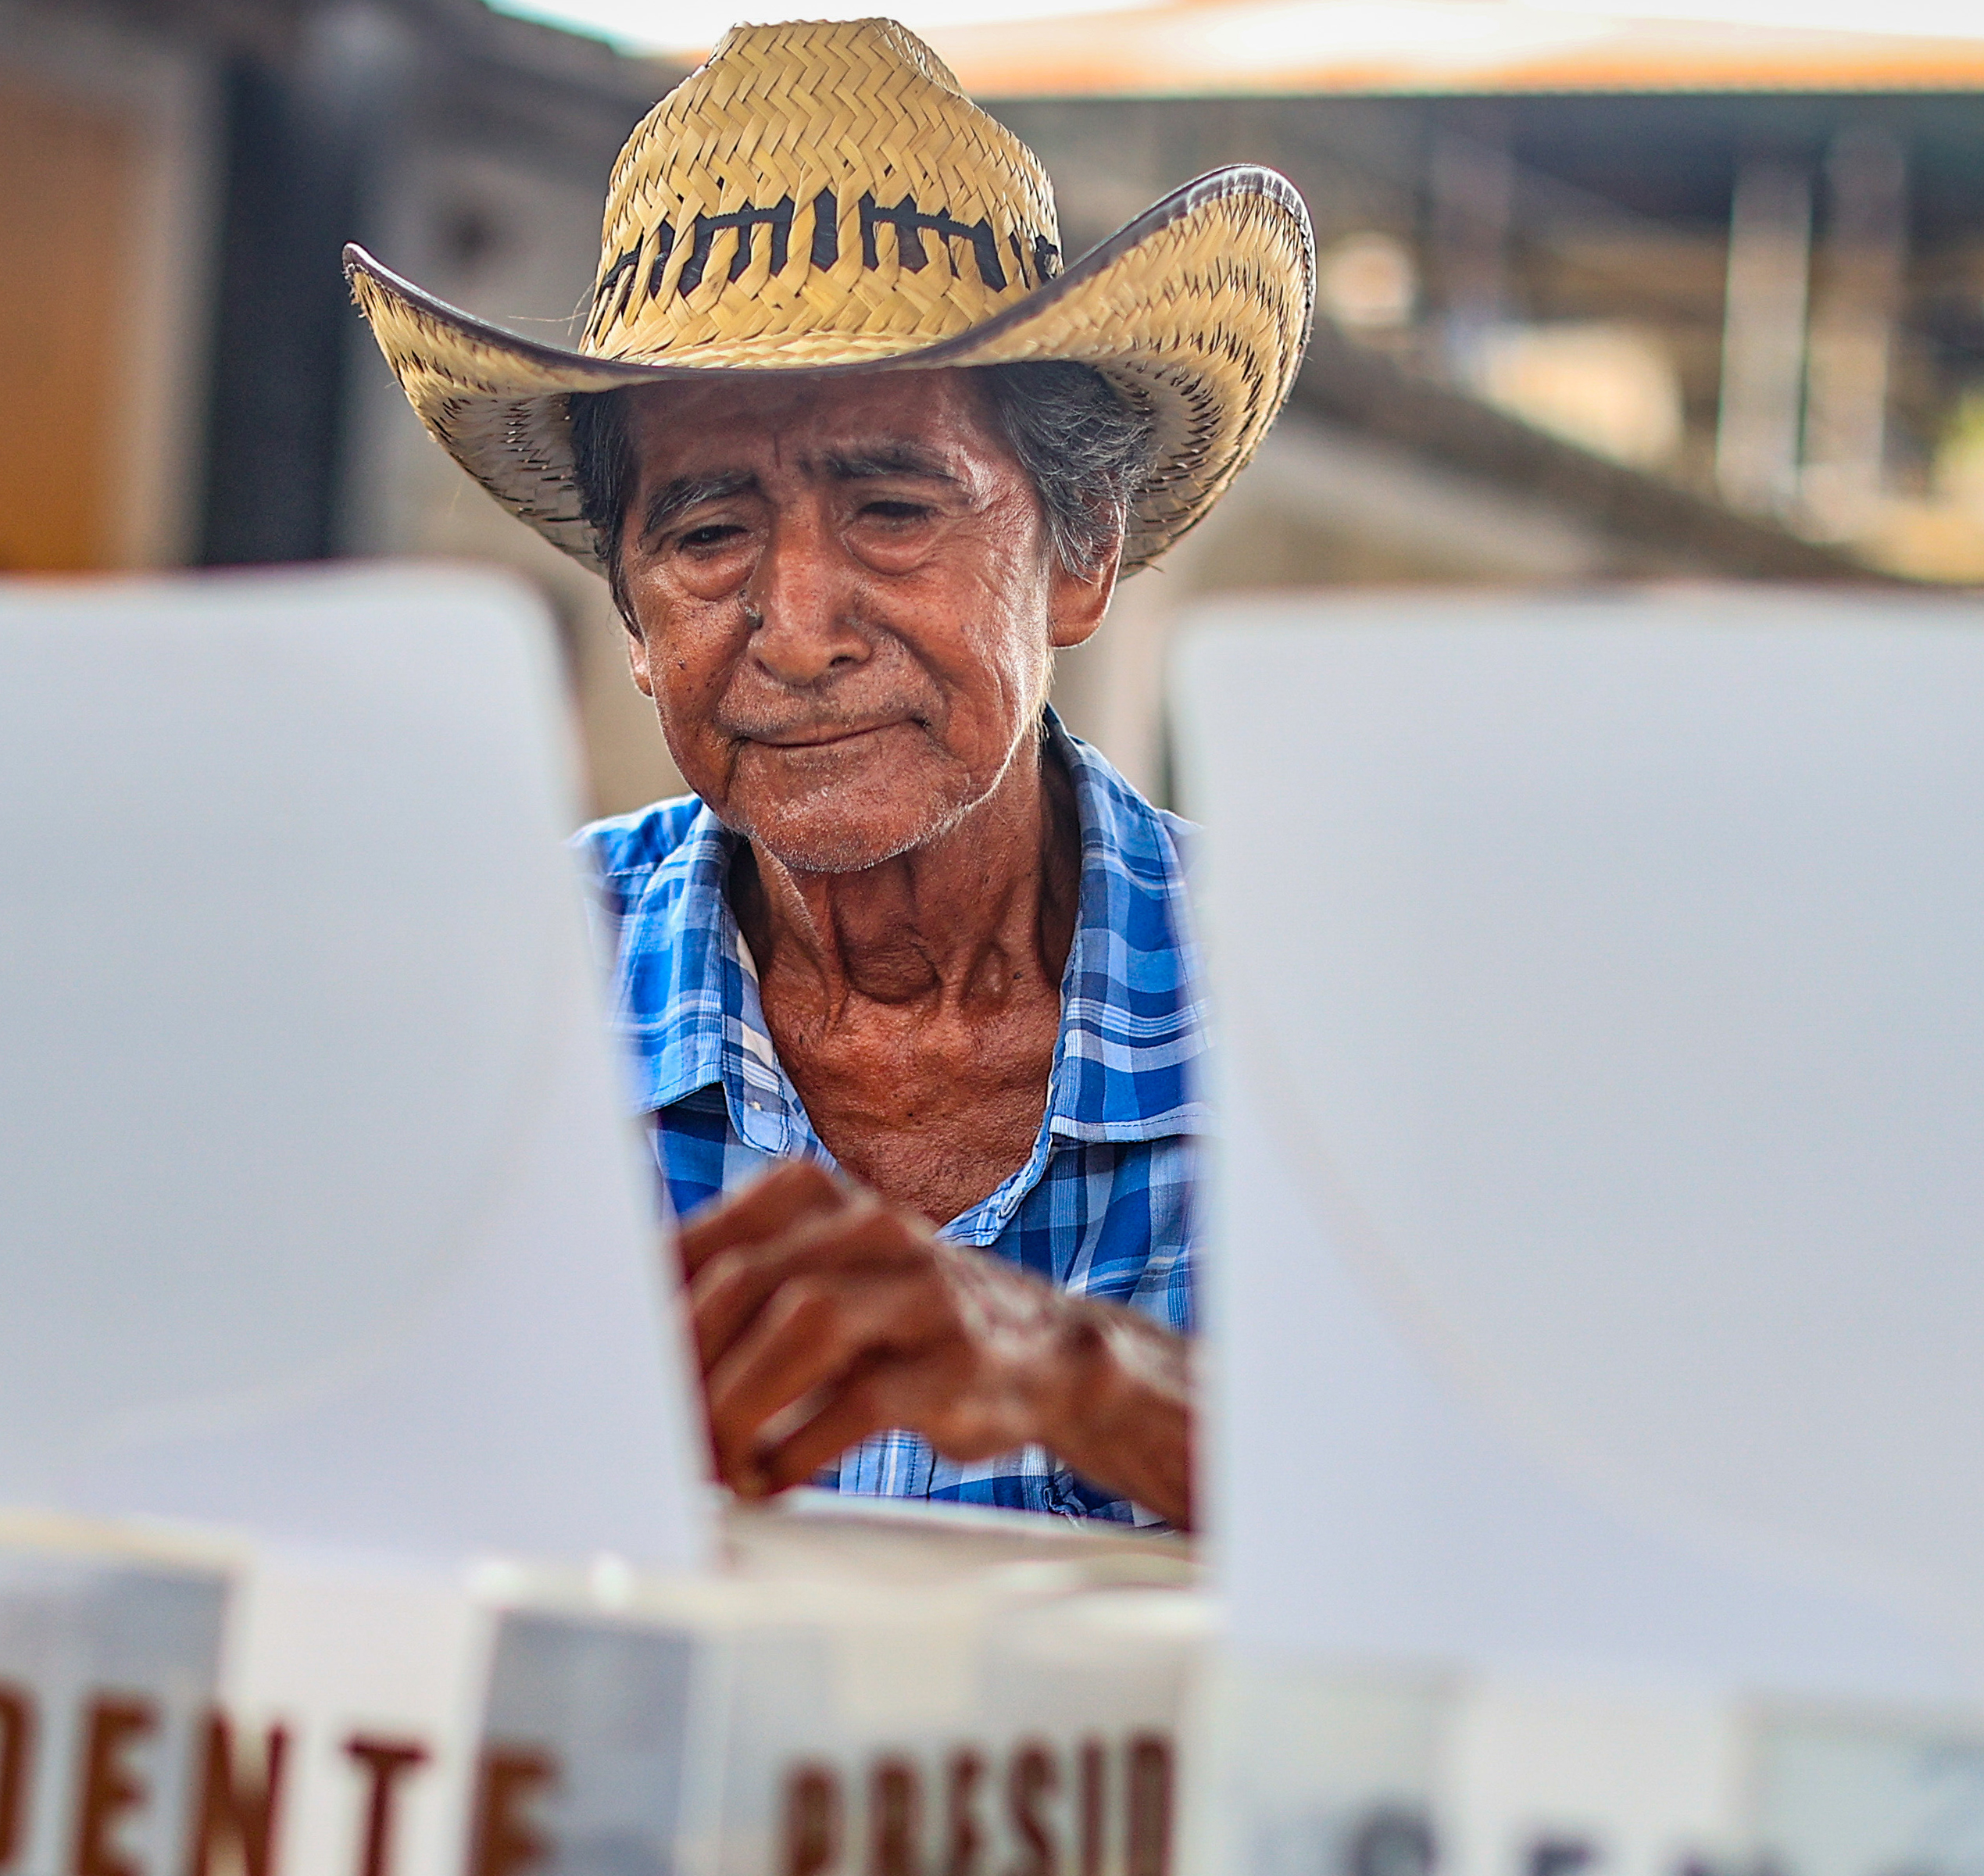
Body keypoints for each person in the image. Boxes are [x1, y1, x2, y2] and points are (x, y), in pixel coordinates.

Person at [349, 19, 1310, 1530]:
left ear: (1081, 551)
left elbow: (1513, 1552)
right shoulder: (486, 994)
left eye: (891, 508)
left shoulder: (1320, 1002)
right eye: (709, 532)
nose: (794, 634)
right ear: (635, 615)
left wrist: (1096, 1385)